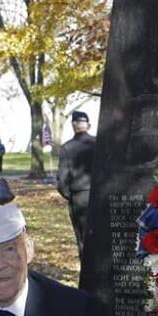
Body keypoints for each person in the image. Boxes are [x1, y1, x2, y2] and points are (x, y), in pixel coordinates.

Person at [56, 110, 96, 260]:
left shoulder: (67, 147)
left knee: (83, 239)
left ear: (73, 125)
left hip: (79, 197)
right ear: (88, 125)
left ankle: (87, 276)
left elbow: (62, 179)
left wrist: (71, 194)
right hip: (99, 196)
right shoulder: (99, 143)